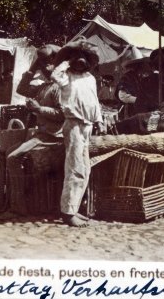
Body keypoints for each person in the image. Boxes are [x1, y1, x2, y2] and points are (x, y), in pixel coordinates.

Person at [51, 40, 102, 228]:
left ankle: (73, 208)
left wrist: (99, 121)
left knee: (85, 169)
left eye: (84, 58)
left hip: (87, 126)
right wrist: (65, 61)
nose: (80, 61)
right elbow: (55, 75)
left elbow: (95, 102)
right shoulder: (66, 77)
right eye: (76, 58)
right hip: (73, 125)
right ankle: (67, 213)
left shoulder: (90, 78)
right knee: (75, 168)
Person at [15, 44, 64, 137]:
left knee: (15, 151)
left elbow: (63, 114)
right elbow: (21, 90)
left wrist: (38, 108)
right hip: (44, 135)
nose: (44, 68)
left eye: (48, 64)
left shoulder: (61, 87)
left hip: (57, 137)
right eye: (41, 65)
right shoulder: (44, 87)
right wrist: (32, 69)